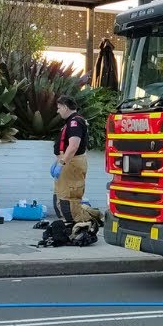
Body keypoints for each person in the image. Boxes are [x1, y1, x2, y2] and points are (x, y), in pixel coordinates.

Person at [52, 96, 102, 234]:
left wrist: (62, 162)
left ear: (65, 107)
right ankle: (69, 221)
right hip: (66, 161)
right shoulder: (70, 122)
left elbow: (73, 146)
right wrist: (58, 160)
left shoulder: (75, 122)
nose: (58, 111)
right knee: (60, 195)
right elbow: (65, 145)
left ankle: (86, 220)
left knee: (69, 198)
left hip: (71, 163)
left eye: (59, 108)